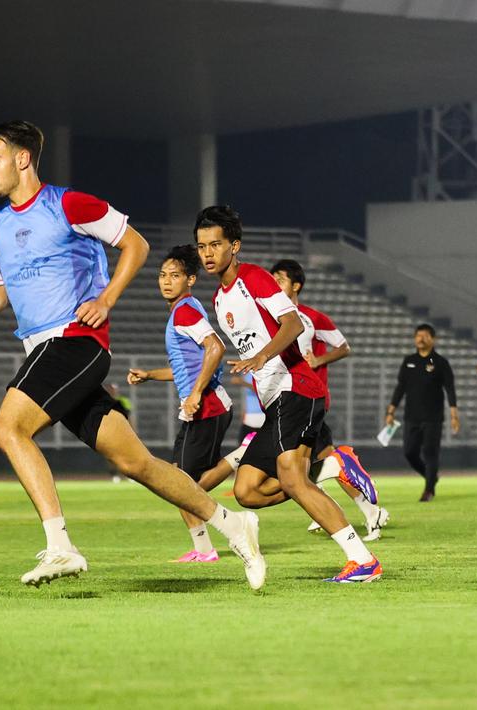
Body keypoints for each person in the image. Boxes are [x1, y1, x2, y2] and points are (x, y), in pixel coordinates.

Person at [0, 121, 265, 589]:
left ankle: (60, 547)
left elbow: (136, 243)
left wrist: (107, 299)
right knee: (136, 463)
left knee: (7, 428)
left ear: (22, 159)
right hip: (46, 351)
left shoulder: (69, 204)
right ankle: (233, 525)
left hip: (75, 342)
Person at [195, 204, 382, 583]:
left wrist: (263, 355)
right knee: (247, 491)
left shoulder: (255, 279)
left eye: (216, 245)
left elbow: (293, 323)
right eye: (202, 247)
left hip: (296, 387)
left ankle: (362, 560)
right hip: (276, 401)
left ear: (235, 246)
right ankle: (329, 468)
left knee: (293, 481)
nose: (208, 253)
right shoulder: (219, 299)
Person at [127, 245, 252, 563]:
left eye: (176, 275)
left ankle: (241, 457)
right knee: (181, 482)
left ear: (191, 279)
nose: (166, 281)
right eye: (163, 275)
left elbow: (216, 347)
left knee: (179, 484)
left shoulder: (185, 310)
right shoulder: (184, 309)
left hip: (207, 407)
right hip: (205, 407)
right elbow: (189, 365)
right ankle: (204, 549)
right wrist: (151, 375)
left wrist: (195, 393)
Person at [269, 259, 388, 541]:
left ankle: (367, 513)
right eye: (272, 279)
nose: (274, 284)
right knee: (307, 465)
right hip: (284, 398)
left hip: (308, 398)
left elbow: (344, 346)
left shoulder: (310, 318)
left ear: (296, 285)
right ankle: (343, 512)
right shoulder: (268, 317)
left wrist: (319, 359)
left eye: (280, 279)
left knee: (318, 462)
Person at [386, 323, 459, 501]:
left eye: (425, 336)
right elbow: (400, 387)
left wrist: (453, 415)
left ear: (433, 339)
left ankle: (429, 490)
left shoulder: (440, 363)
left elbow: (450, 389)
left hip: (433, 418)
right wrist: (391, 410)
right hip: (412, 417)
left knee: (430, 452)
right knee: (409, 452)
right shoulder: (408, 361)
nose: (420, 339)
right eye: (418, 336)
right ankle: (431, 476)